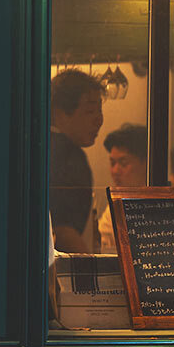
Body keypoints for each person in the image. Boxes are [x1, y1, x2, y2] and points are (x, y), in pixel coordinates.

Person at [50, 69, 105, 253]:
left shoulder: (42, 147)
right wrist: (86, 265)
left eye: (100, 111)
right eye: (90, 111)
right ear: (59, 114)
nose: (99, 120)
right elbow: (63, 230)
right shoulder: (69, 155)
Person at [96, 123, 148, 252]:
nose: (115, 171)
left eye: (123, 163)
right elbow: (102, 242)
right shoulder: (116, 203)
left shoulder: (160, 199)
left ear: (146, 163)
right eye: (112, 163)